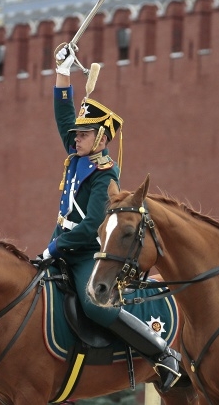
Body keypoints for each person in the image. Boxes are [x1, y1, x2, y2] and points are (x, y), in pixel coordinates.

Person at [41, 44, 181, 393]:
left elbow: (90, 227)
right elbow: (63, 117)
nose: (76, 137)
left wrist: (58, 247)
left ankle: (162, 354)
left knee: (96, 306)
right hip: (57, 248)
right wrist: (62, 72)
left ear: (102, 138)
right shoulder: (77, 156)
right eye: (77, 134)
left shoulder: (106, 175)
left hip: (85, 253)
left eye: (84, 134)